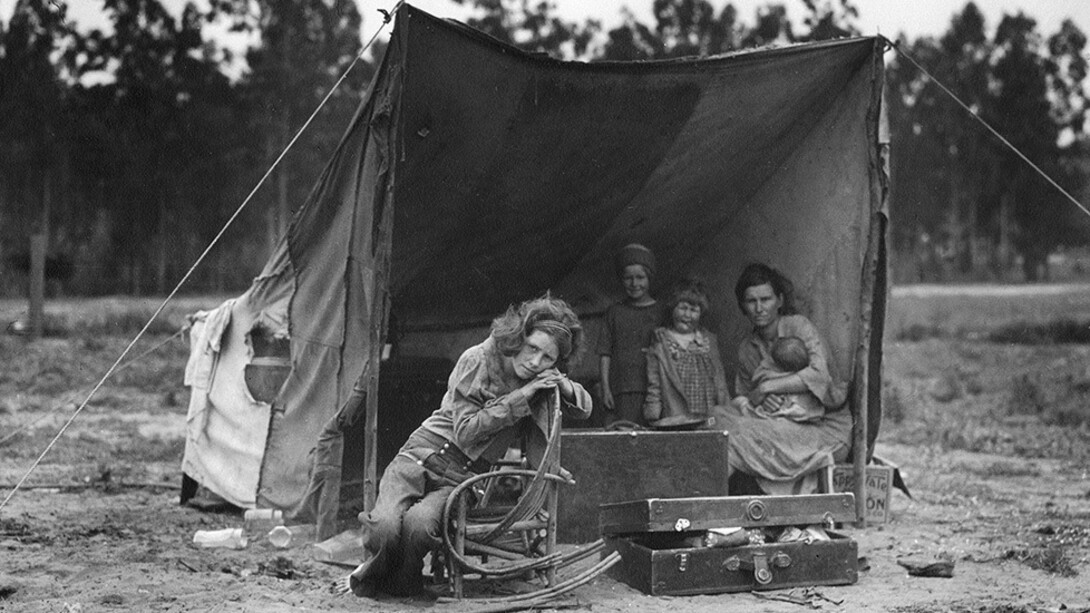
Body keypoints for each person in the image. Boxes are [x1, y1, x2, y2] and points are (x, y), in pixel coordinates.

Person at [346, 296, 592, 598]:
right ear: (519, 337)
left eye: (547, 358)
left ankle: (404, 585)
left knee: (419, 527)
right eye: (532, 348)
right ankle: (373, 578)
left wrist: (564, 384)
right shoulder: (478, 359)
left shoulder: (539, 384)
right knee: (384, 528)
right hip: (420, 455)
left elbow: (583, 408)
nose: (535, 362)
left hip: (463, 478)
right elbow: (465, 432)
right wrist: (520, 397)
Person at [715, 262, 852, 496]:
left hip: (823, 428)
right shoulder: (747, 348)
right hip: (777, 423)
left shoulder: (798, 326)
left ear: (779, 301)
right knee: (717, 418)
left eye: (766, 299)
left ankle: (710, 499)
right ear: (742, 306)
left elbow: (819, 375)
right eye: (751, 301)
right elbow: (747, 396)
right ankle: (706, 499)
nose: (759, 308)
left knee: (732, 439)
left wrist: (768, 387)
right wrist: (760, 399)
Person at [596, 244, 666, 427]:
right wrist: (605, 388)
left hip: (655, 390)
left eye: (640, 277)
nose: (634, 284)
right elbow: (605, 353)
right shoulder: (614, 312)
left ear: (649, 277)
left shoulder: (661, 312)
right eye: (628, 278)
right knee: (624, 432)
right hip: (621, 389)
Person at [643, 279, 728, 426]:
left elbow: (720, 381)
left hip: (708, 413)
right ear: (672, 308)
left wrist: (725, 409)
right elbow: (654, 382)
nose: (687, 315)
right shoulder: (662, 342)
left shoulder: (708, 341)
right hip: (676, 414)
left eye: (693, 310)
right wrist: (653, 413)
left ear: (701, 313)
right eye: (683, 308)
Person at [744, 336, 825, 423]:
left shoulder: (767, 372)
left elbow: (758, 381)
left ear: (777, 365)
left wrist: (764, 387)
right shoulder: (798, 371)